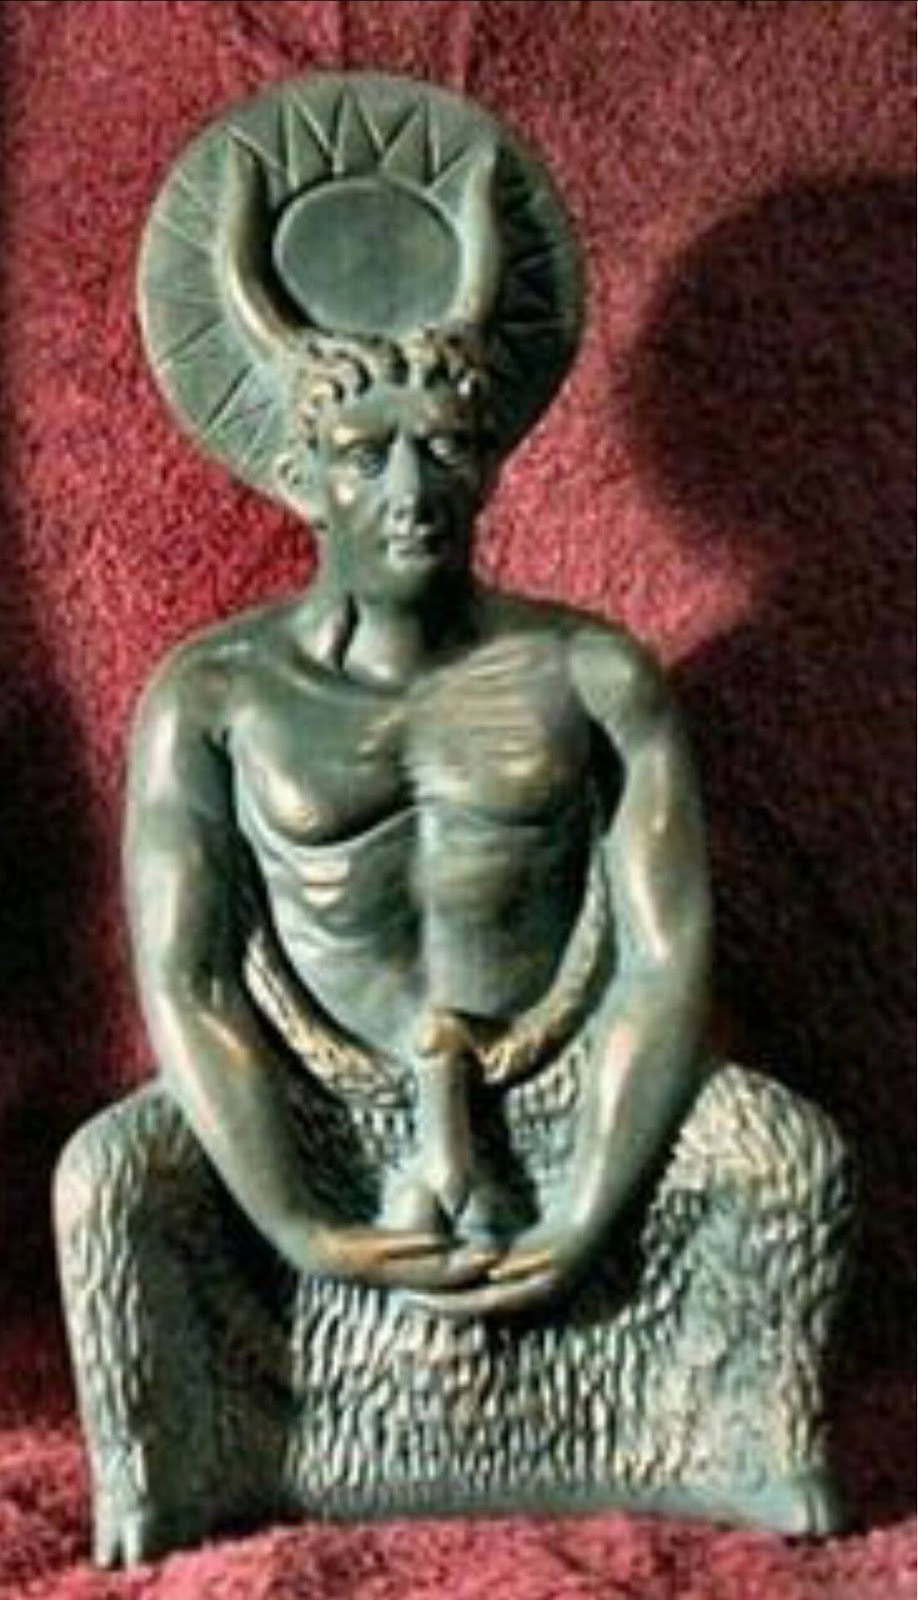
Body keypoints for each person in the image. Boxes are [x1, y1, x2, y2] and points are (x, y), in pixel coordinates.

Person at [53, 76, 853, 1565]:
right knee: (108, 1180)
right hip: (298, 1106)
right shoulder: (214, 697)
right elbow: (193, 980)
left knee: (782, 1163)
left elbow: (660, 960)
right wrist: (299, 1216)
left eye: (445, 446)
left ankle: (732, 1441)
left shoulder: (592, 676)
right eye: (370, 454)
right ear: (303, 472)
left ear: (491, 455)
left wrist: (589, 1193)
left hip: (567, 1091)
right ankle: (189, 1467)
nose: (414, 489)